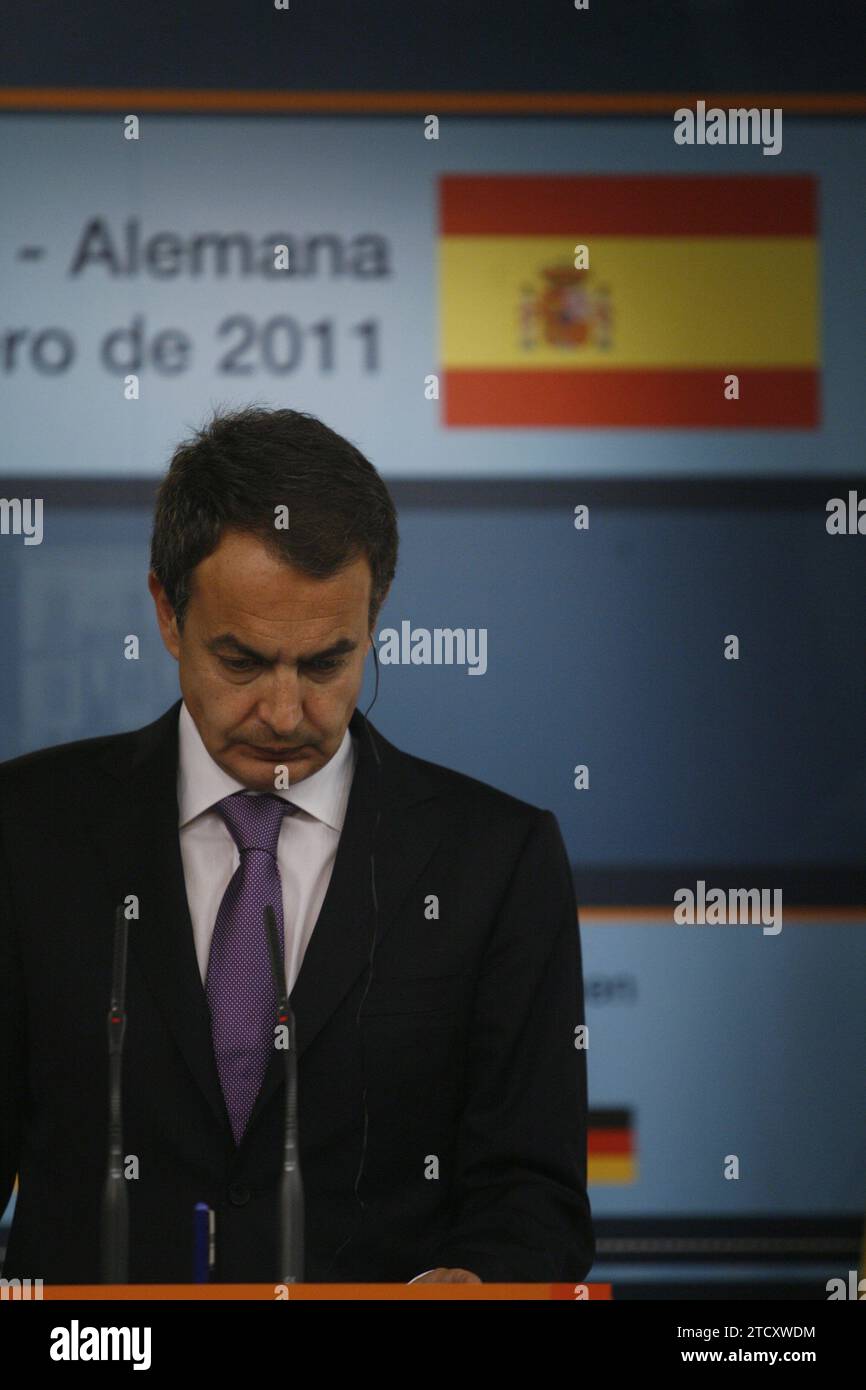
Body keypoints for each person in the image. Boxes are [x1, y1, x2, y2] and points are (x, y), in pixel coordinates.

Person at [0, 405, 594, 1285]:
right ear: (167, 614)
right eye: (241, 662)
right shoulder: (25, 831)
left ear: (375, 612)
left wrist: (481, 1280)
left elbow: (533, 1198)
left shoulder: (497, 861)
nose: (285, 715)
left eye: (325, 664)